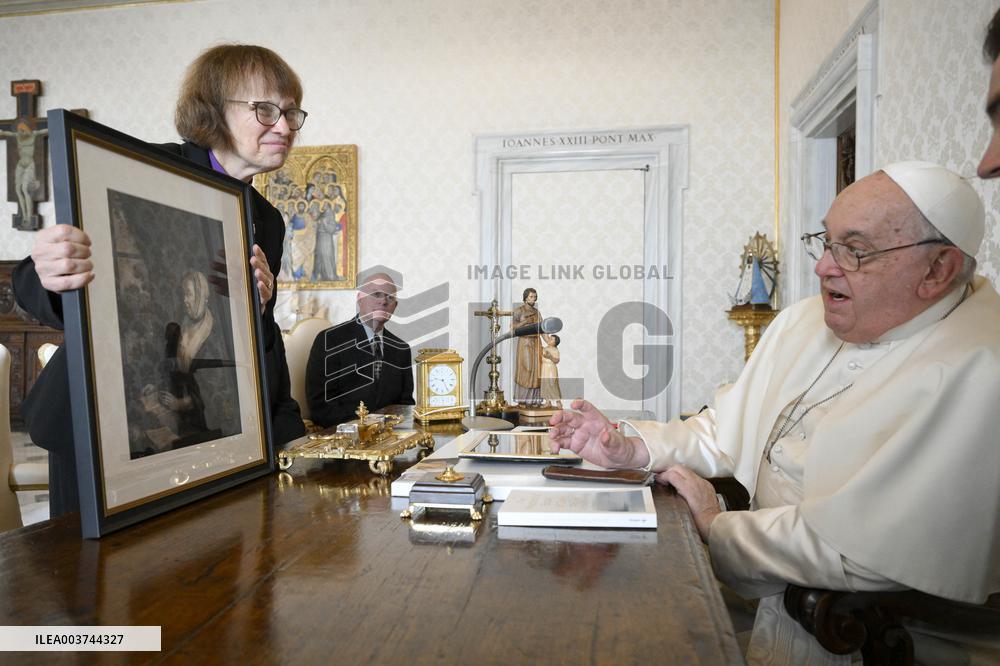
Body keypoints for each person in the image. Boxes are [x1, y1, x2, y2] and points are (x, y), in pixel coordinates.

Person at [550, 161, 1000, 662]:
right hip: (764, 587)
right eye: (826, 242)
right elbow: (729, 426)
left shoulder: (981, 369)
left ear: (937, 269)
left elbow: (859, 550)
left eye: (855, 250)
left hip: (877, 636)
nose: (824, 266)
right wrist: (630, 447)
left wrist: (717, 525)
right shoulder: (803, 322)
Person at [12, 44, 306, 516]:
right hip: (106, 427)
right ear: (211, 110)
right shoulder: (138, 171)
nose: (286, 127)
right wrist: (51, 271)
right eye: (266, 109)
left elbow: (258, 335)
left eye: (293, 114)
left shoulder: (265, 218)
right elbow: (36, 285)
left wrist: (287, 429)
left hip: (206, 429)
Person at [305, 272, 414, 427]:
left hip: (391, 436)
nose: (383, 301)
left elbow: (405, 404)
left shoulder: (401, 348)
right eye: (376, 294)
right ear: (360, 299)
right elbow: (321, 405)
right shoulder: (330, 340)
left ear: (395, 306)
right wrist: (363, 428)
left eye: (390, 297)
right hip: (344, 436)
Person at [0, 120, 48, 225]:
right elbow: (7, 133)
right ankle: (24, 216)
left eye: (23, 130)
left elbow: (45, 130)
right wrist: (1, 132)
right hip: (20, 164)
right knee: (18, 189)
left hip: (30, 165)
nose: (21, 132)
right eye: (19, 130)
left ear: (27, 129)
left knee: (25, 189)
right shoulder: (18, 135)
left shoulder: (33, 134)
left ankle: (29, 217)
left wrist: (55, 125)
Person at [511, 287, 542, 405]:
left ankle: (534, 400)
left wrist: (548, 340)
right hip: (525, 342)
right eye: (531, 297)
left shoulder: (537, 312)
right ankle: (522, 399)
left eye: (534, 297)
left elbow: (542, 328)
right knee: (527, 369)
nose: (533, 299)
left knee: (536, 370)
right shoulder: (519, 310)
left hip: (536, 342)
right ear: (525, 298)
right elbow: (513, 327)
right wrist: (525, 322)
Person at [539, 333, 562, 408]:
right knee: (545, 384)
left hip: (551, 368)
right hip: (544, 368)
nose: (549, 339)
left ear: (555, 343)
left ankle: (558, 401)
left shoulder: (555, 350)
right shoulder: (545, 348)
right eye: (549, 338)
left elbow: (557, 360)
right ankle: (547, 402)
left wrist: (550, 357)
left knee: (552, 384)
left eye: (551, 339)